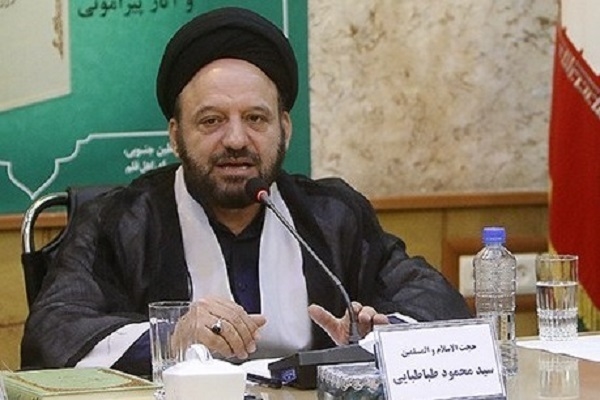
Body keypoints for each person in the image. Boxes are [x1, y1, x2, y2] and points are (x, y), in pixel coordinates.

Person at [21, 7, 471, 376]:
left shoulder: (334, 215)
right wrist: (171, 338)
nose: (236, 140)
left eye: (255, 118)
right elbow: (51, 333)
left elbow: (436, 299)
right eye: (211, 121)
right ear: (175, 135)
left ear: (284, 129)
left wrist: (383, 336)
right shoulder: (119, 220)